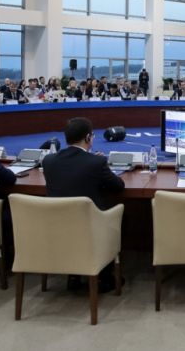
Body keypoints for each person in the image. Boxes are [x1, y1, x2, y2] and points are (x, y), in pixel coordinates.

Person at [42, 117, 126, 292]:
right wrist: (98, 164)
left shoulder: (48, 161)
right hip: (90, 227)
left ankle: (73, 275)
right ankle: (104, 277)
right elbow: (118, 186)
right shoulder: (96, 163)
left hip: (57, 225)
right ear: (88, 137)